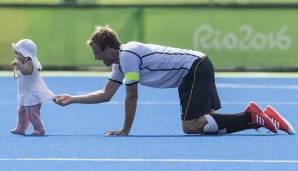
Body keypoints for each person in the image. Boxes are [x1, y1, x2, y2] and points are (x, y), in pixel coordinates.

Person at [54, 25, 295, 136]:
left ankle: (253, 117)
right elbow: (106, 94)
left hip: (194, 69)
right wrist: (72, 99)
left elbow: (132, 95)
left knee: (190, 126)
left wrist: (125, 130)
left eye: (96, 52)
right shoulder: (121, 61)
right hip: (195, 68)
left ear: (108, 48)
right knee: (205, 125)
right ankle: (257, 117)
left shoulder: (127, 57)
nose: (96, 57)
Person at [10, 39, 56, 136]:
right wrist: (16, 68)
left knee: (32, 114)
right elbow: (19, 74)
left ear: (25, 53)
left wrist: (18, 64)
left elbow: (28, 71)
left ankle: (39, 129)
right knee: (21, 111)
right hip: (25, 94)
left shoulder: (29, 61)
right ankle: (20, 128)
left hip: (32, 95)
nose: (15, 56)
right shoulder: (23, 62)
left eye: (17, 53)